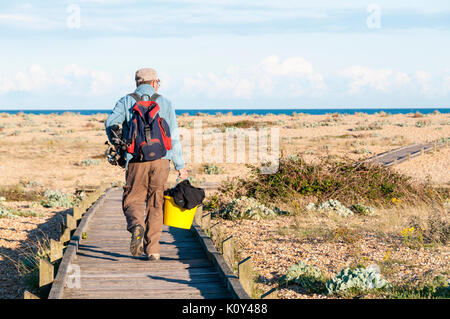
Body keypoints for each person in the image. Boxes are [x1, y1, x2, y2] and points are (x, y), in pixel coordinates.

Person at [105, 68, 188, 260]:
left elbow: (110, 123)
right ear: (154, 83)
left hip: (135, 160)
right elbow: (173, 137)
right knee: (156, 203)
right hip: (161, 161)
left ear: (137, 83)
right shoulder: (165, 102)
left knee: (133, 200)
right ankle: (153, 251)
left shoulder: (127, 101)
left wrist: (118, 144)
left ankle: (136, 226)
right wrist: (180, 166)